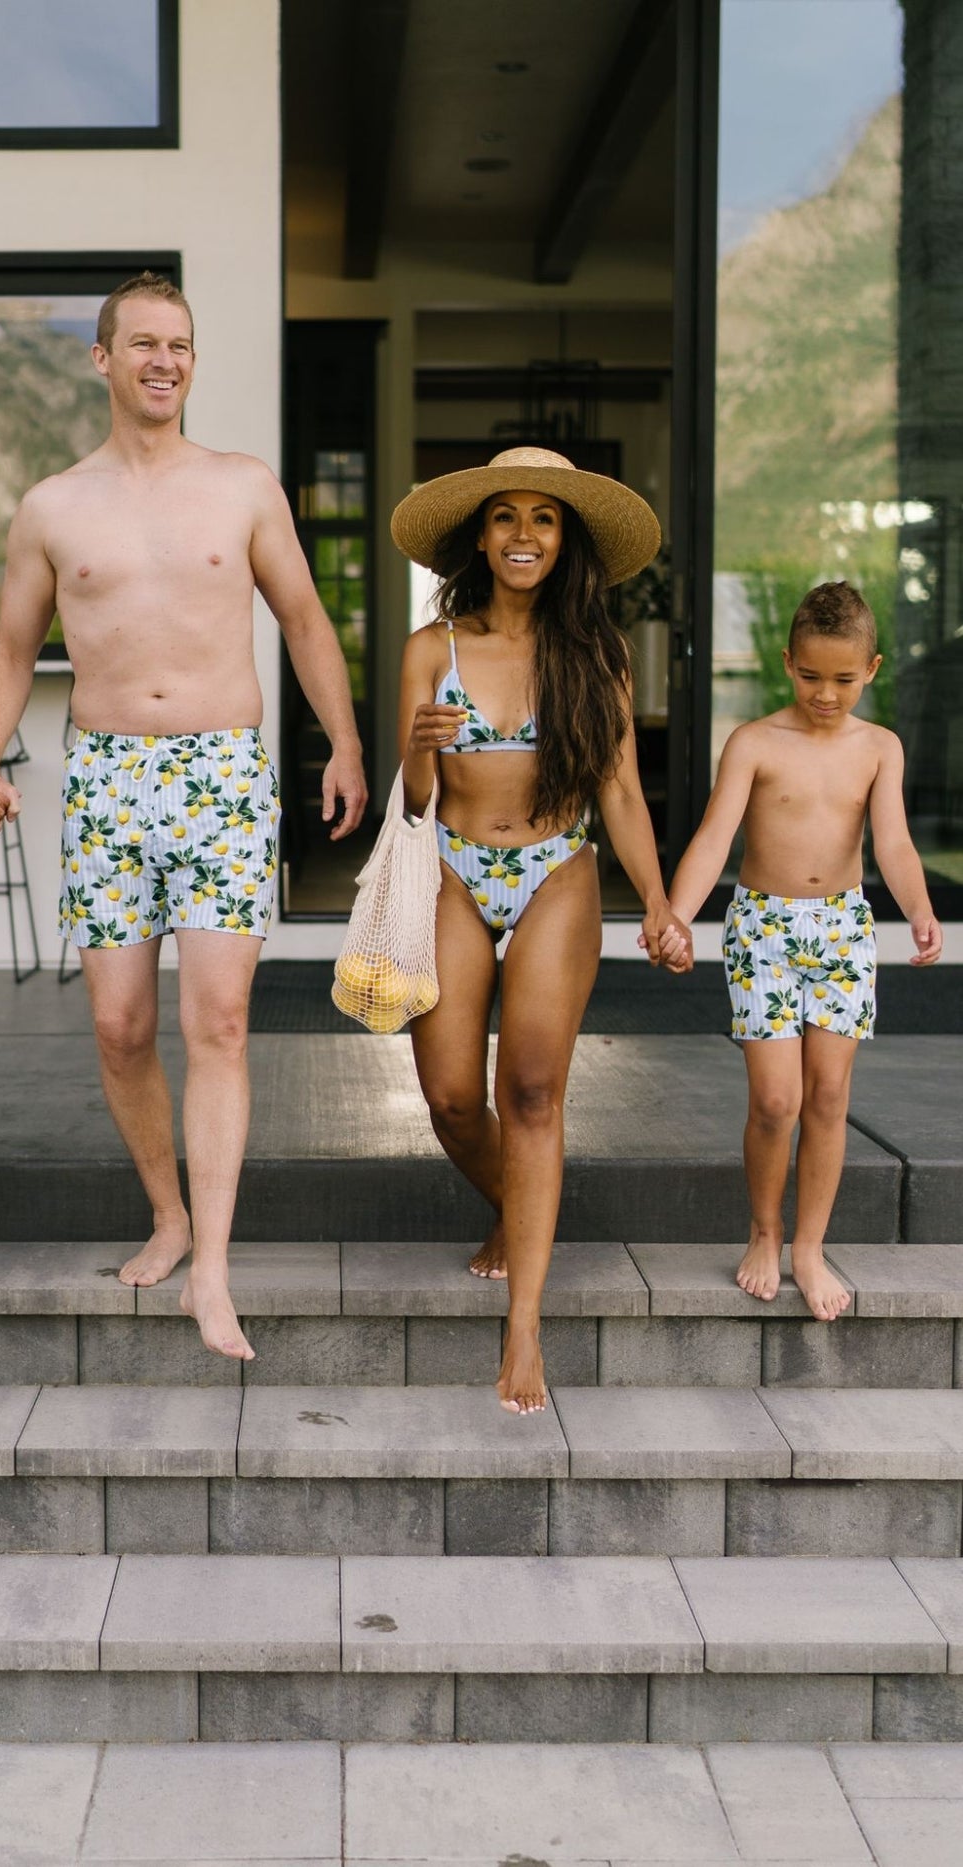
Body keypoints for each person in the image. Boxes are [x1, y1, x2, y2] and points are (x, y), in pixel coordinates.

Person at [0, 270, 367, 1362]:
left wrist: (343, 740)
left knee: (217, 1023)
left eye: (178, 344)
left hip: (223, 772)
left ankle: (214, 1270)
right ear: (102, 359)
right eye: (142, 343)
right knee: (120, 1026)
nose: (163, 361)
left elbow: (306, 620)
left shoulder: (241, 487)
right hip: (104, 779)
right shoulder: (53, 505)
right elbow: (8, 651)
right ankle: (168, 1212)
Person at [391, 445, 687, 1414]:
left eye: (543, 518)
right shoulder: (430, 647)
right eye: (506, 516)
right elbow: (414, 803)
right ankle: (517, 1211)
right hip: (454, 866)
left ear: (566, 543)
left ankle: (522, 1332)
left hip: (556, 869)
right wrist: (420, 756)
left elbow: (621, 794)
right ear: (479, 535)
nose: (523, 534)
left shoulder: (592, 654)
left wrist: (658, 901)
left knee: (527, 1088)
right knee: (444, 1094)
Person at [667, 580, 941, 1319]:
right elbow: (714, 838)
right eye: (811, 675)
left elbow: (895, 843)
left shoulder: (880, 747)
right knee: (777, 1099)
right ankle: (764, 1229)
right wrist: (677, 914)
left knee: (827, 1097)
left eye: (844, 679)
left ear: (873, 669)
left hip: (844, 929)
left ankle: (809, 1247)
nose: (826, 693)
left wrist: (917, 909)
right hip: (763, 929)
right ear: (788, 662)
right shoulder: (755, 742)